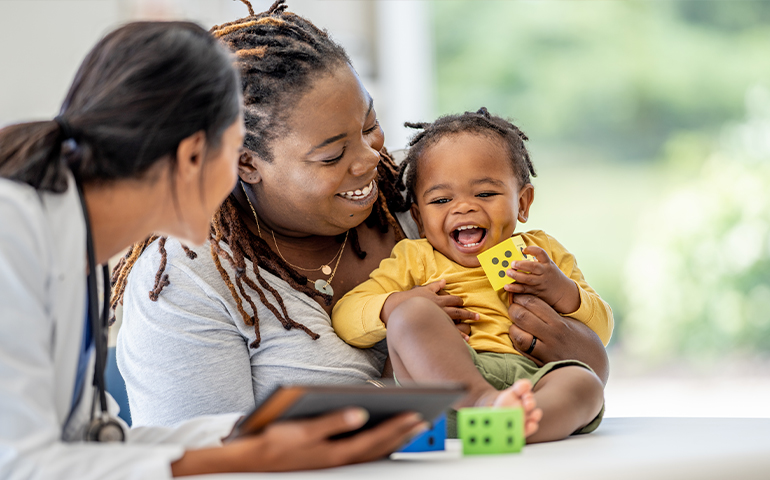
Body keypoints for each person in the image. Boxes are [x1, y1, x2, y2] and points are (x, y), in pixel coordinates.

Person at [114, 0, 610, 431]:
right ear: (246, 163)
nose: (371, 158)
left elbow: (589, 364)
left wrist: (569, 338)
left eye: (370, 125)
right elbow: (201, 460)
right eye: (331, 155)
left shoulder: (429, 198)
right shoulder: (188, 280)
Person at [0, 20, 426, 479]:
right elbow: (23, 464)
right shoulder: (14, 233)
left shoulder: (76, 249)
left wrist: (263, 436)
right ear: (193, 158)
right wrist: (252, 456)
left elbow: (95, 443)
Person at [332, 108, 612, 442]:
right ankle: (486, 405)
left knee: (584, 383)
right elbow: (346, 317)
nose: (463, 207)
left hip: (533, 384)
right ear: (419, 219)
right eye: (442, 199)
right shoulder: (416, 257)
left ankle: (516, 425)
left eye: (485, 194)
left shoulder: (541, 252)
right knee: (411, 315)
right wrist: (397, 304)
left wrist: (561, 290)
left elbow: (601, 329)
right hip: (447, 388)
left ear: (522, 203)